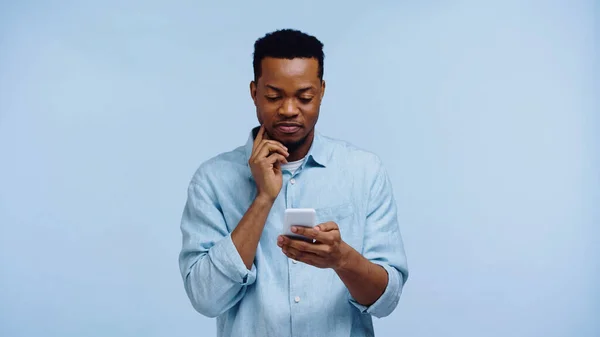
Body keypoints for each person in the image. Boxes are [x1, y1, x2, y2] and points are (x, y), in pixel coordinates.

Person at [178, 28, 408, 337]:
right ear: (254, 92)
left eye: (304, 97)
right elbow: (205, 299)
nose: (288, 110)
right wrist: (263, 199)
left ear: (322, 92)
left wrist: (342, 259)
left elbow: (386, 301)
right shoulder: (212, 180)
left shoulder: (364, 172)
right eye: (274, 96)